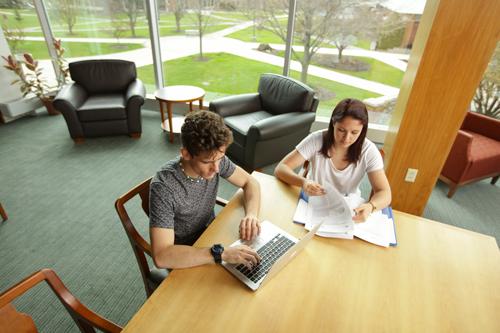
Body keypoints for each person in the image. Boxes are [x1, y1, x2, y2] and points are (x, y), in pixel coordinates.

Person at [150, 111, 261, 270]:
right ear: (186, 154)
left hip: (212, 234)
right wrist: (220, 254)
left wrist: (251, 214)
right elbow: (162, 256)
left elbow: (250, 182)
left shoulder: (214, 156)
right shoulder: (163, 187)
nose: (216, 169)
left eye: (220, 159)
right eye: (207, 162)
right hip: (184, 255)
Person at [274, 98, 391, 222]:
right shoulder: (316, 140)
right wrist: (304, 182)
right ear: (333, 123)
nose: (347, 138)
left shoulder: (369, 150)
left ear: (362, 130)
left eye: (354, 132)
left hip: (348, 206)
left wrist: (371, 206)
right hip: (314, 201)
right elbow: (281, 168)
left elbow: (385, 192)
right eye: (341, 130)